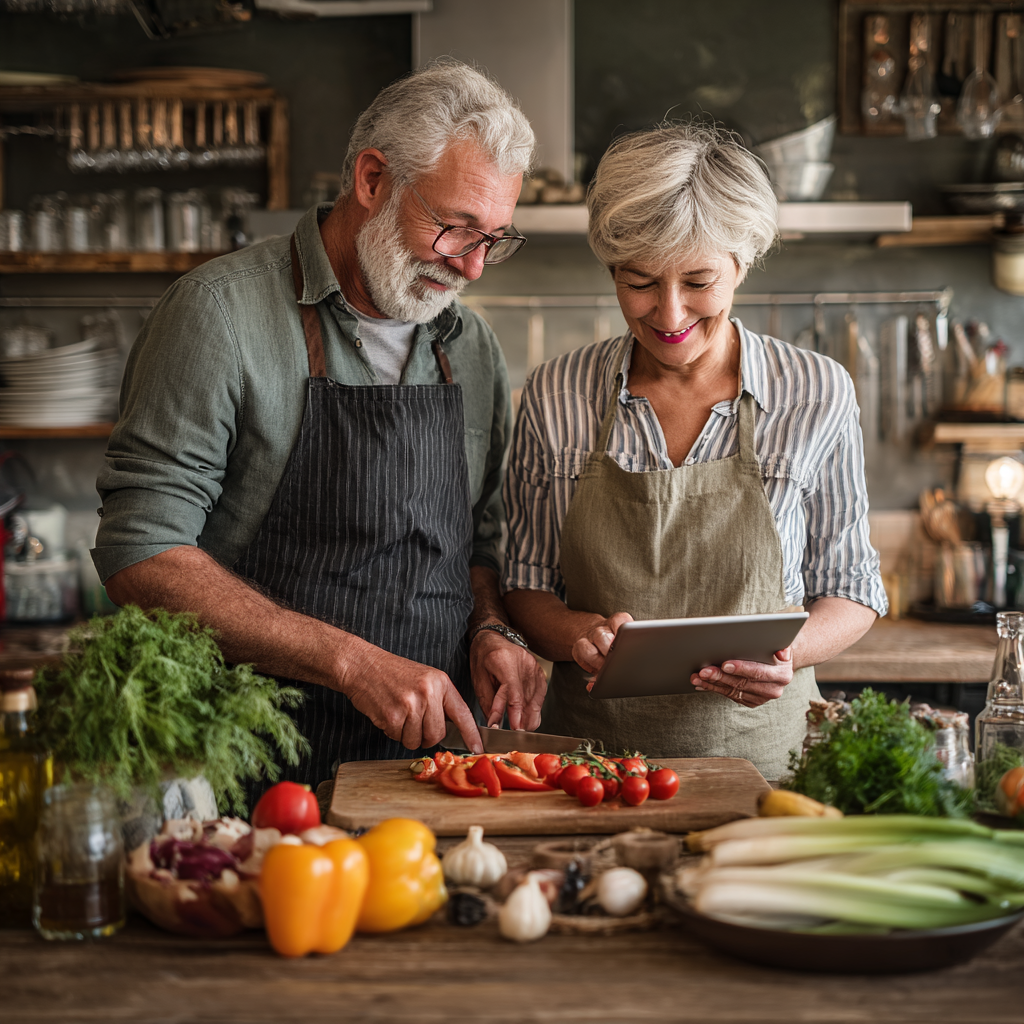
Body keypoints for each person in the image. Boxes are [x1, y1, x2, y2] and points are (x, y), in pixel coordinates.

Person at [93, 60, 548, 793]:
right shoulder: (219, 313)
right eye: (454, 228)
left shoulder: (469, 346)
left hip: (431, 775)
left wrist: (491, 626)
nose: (472, 268)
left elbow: (480, 541)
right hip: (252, 767)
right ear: (372, 179)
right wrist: (352, 662)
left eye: (493, 238)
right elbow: (141, 554)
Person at [501, 122, 887, 780]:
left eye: (700, 281)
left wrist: (788, 655)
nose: (670, 314)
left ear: (742, 263)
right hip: (594, 771)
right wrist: (577, 635)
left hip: (768, 768)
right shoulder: (556, 392)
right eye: (639, 282)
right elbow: (526, 584)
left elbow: (851, 589)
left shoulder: (816, 390)